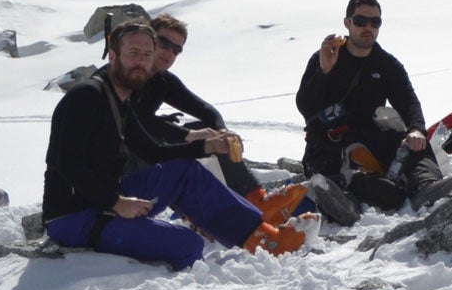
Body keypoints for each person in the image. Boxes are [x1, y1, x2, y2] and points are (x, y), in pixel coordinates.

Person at [42, 19, 305, 266]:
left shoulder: (119, 97)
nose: (142, 62)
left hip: (106, 199)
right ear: (112, 56)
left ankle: (265, 238)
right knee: (188, 245)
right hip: (75, 217)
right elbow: (66, 163)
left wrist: (206, 147)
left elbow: (152, 151)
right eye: (134, 53)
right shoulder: (88, 95)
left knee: (184, 171)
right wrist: (116, 203)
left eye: (147, 55)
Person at [137, 13, 305, 226]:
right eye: (164, 43)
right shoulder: (126, 74)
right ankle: (210, 215)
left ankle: (254, 200)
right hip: (122, 165)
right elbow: (133, 119)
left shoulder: (161, 80)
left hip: (145, 151)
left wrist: (222, 132)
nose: (169, 53)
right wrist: (189, 135)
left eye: (176, 49)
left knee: (212, 134)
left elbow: (206, 111)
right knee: (195, 144)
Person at [295, 0, 445, 212]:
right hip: (328, 141)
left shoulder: (386, 64)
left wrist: (416, 130)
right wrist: (324, 71)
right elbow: (305, 106)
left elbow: (408, 101)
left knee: (416, 146)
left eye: (375, 22)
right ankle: (345, 200)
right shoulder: (325, 57)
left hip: (370, 138)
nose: (368, 28)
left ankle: (427, 188)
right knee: (337, 170)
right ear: (347, 23)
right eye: (360, 21)